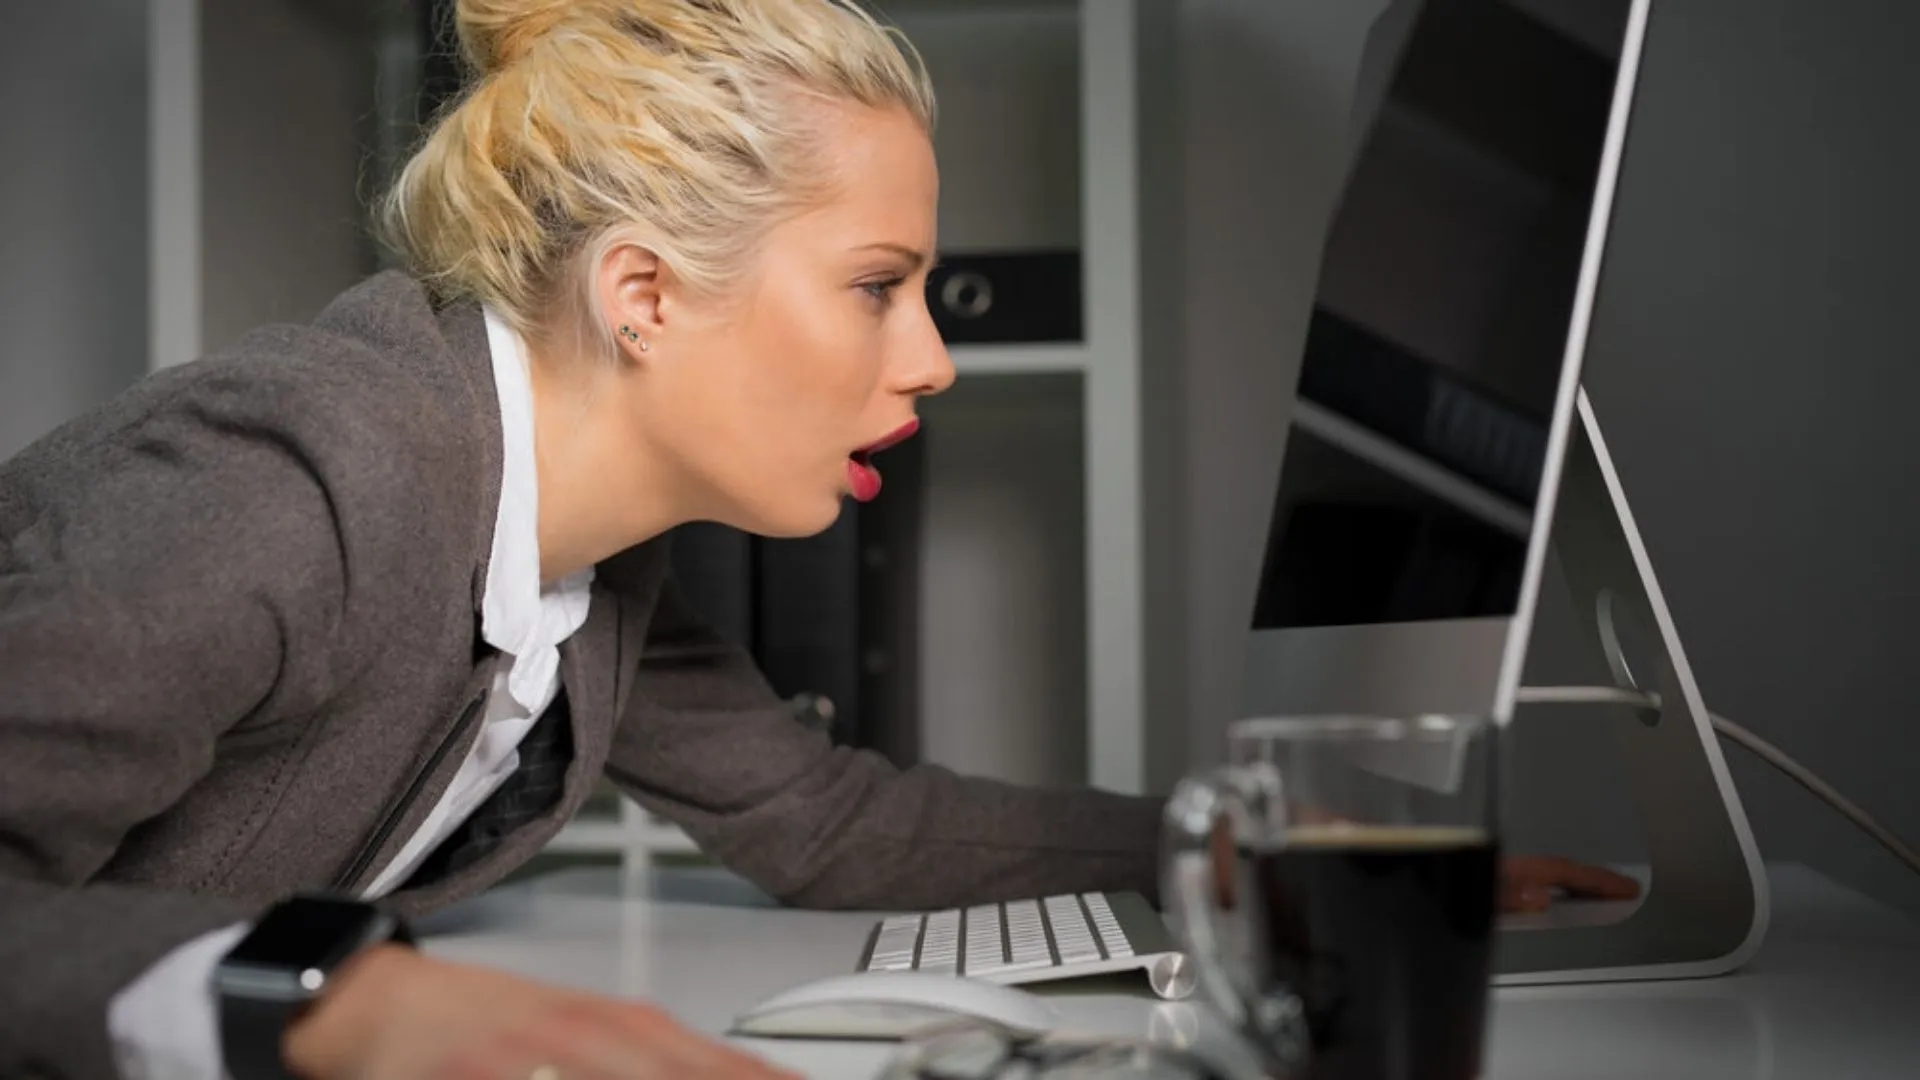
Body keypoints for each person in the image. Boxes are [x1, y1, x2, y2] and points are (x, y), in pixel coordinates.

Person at [0, 1, 1639, 1077]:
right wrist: (340, 1004)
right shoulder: (295, 483)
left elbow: (842, 827)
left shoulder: (594, 570)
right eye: (878, 285)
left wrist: (1242, 859)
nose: (930, 355)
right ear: (642, 293)